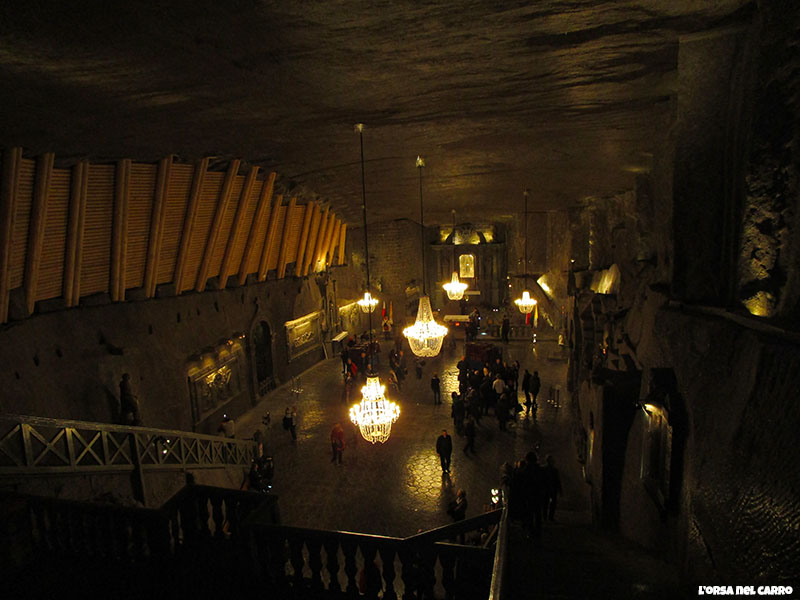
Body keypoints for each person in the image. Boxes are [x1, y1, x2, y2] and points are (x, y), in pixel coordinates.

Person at [543, 455, 562, 521]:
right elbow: (557, 481)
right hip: (551, 489)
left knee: (546, 504)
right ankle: (549, 517)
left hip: (547, 489)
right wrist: (560, 490)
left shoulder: (544, 469)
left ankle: (545, 517)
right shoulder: (554, 470)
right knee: (551, 504)